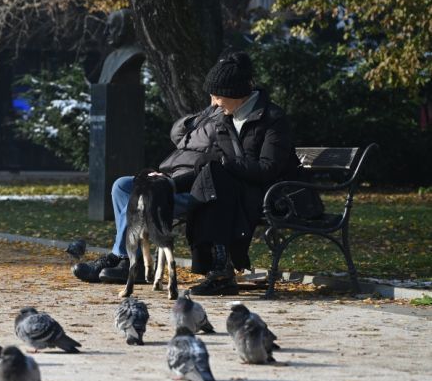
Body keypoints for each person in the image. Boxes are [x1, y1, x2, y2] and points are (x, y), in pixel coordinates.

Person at [182, 51, 299, 295]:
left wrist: (225, 163)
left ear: (235, 93)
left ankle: (220, 270)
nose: (213, 102)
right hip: (232, 191)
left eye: (217, 96)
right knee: (211, 180)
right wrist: (170, 182)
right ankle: (219, 268)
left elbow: (268, 168)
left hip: (273, 194)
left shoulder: (273, 119)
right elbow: (215, 161)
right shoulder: (224, 118)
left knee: (215, 178)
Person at [72, 101, 221, 284]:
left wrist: (169, 182)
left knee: (139, 199)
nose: (214, 98)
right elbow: (176, 134)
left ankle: (125, 259)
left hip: (192, 188)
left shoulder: (227, 122)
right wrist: (199, 117)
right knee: (121, 186)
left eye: (218, 94)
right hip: (170, 176)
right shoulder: (207, 115)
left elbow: (213, 162)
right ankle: (130, 259)